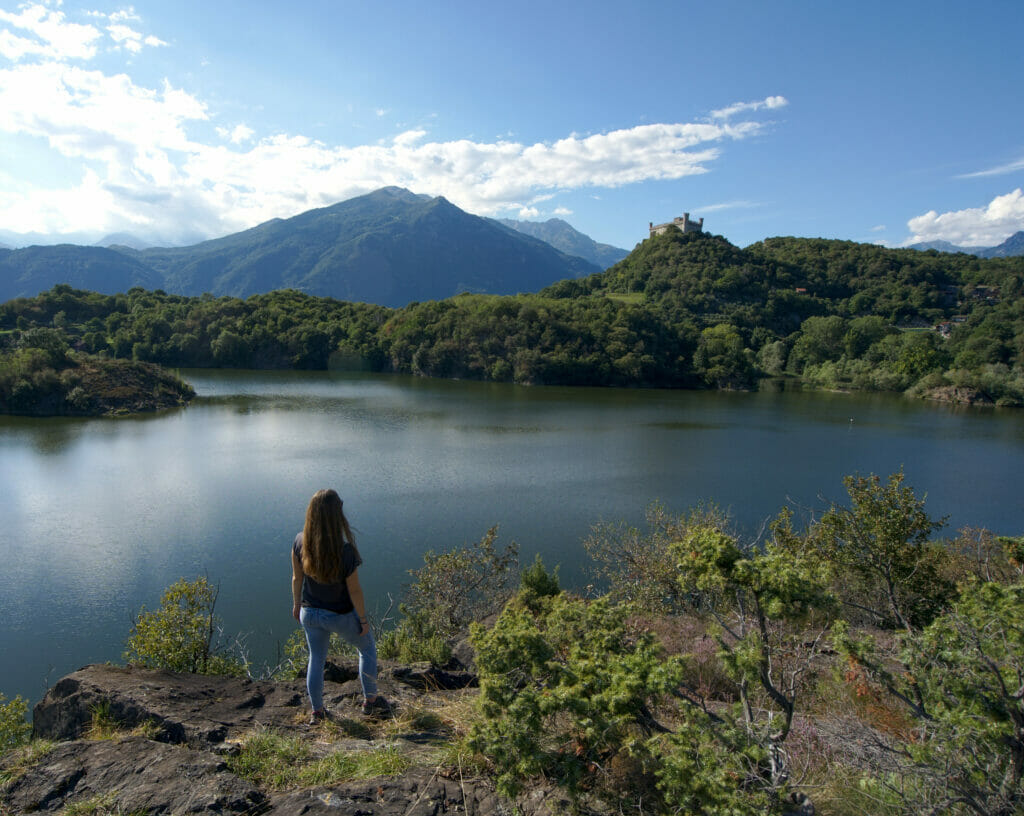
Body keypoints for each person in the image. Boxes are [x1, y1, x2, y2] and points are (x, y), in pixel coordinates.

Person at [291, 488, 388, 723]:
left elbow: (297, 578)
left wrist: (296, 606)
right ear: (337, 516)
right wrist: (362, 620)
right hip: (339, 615)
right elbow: (354, 590)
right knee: (366, 649)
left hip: (309, 613)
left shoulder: (299, 541)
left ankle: (317, 711)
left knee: (316, 658)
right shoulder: (345, 551)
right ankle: (370, 702)